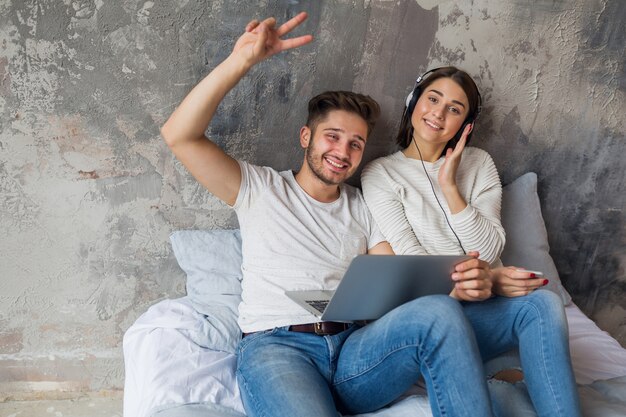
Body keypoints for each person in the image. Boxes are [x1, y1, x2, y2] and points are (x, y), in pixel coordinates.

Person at [161, 12, 503, 417]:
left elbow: (400, 282)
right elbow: (179, 135)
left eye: (356, 143)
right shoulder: (259, 188)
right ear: (306, 137)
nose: (343, 152)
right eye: (333, 137)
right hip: (279, 349)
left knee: (439, 311)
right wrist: (242, 61)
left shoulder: (363, 204)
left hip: (354, 353)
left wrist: (482, 278)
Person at [361, 66, 583, 416]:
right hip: (436, 314)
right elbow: (410, 258)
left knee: (544, 303)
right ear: (413, 102)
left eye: (454, 108)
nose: (438, 113)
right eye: (433, 99)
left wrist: (450, 186)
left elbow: (491, 247)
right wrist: (489, 278)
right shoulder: (380, 173)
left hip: (484, 314)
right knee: (488, 377)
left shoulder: (479, 164)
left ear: (466, 125)